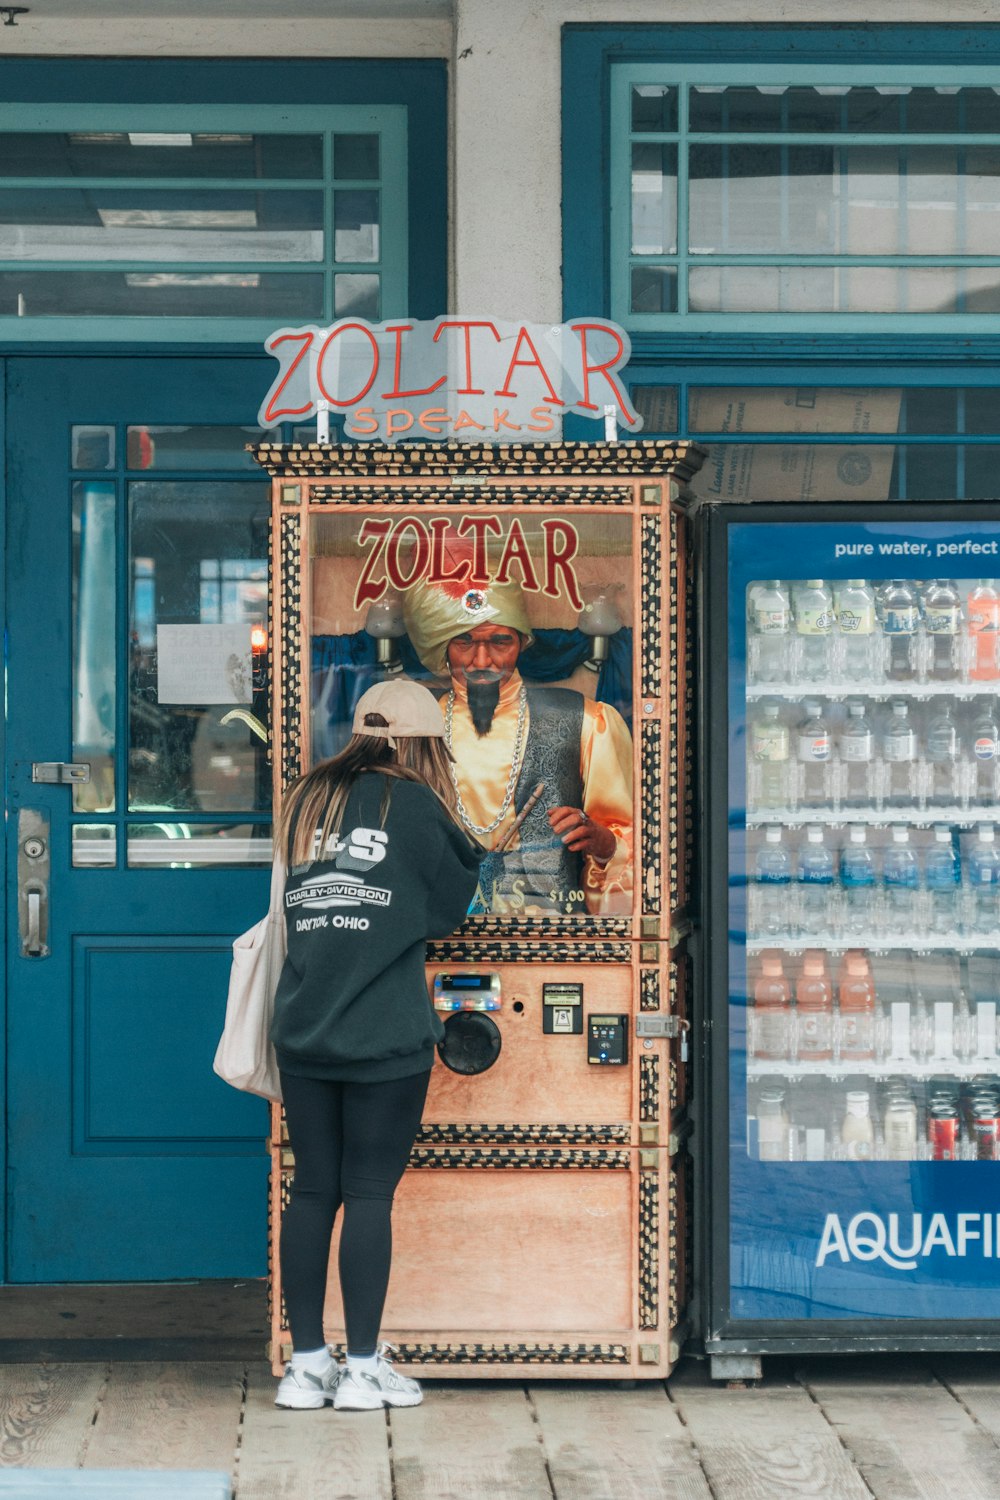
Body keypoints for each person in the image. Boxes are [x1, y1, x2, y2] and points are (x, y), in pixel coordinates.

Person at [270, 678, 483, 1412]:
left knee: (311, 1191)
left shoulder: (306, 800)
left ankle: (304, 1368)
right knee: (368, 1194)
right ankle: (361, 1369)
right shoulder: (417, 805)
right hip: (384, 1035)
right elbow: (450, 907)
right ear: (422, 744)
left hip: (303, 1026)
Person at [402, 565, 633, 916]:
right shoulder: (412, 728)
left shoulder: (586, 721)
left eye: (499, 641)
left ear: (521, 642)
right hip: (437, 937)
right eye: (464, 641)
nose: (483, 660)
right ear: (442, 647)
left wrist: (602, 844)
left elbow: (631, 844)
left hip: (548, 941)